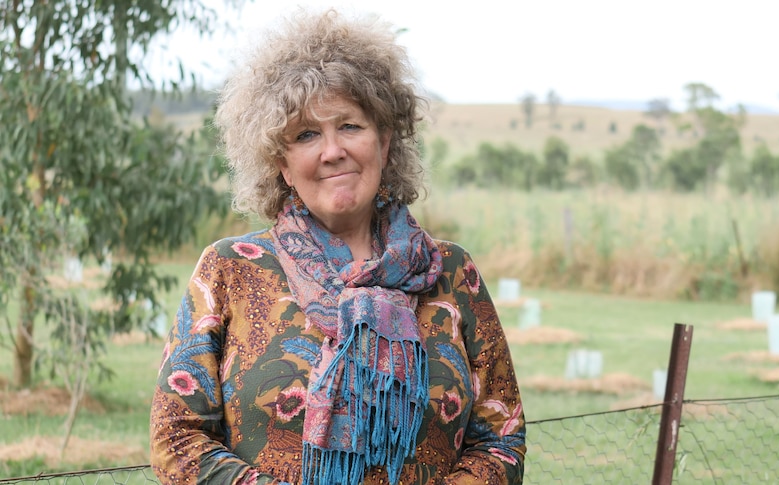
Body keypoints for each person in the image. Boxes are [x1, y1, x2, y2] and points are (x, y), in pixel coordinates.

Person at [149, 7, 526, 485]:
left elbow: (502, 440)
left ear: (385, 143)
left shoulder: (450, 271)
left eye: (350, 125)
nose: (332, 150)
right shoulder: (229, 271)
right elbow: (175, 437)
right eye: (306, 135)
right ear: (281, 165)